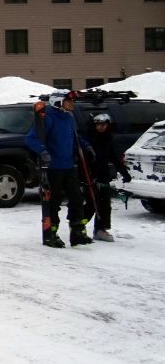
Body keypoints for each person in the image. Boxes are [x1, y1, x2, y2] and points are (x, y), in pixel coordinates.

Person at [26, 90, 94, 248]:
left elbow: (74, 137)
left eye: (72, 101)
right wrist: (43, 152)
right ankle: (51, 233)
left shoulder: (68, 118)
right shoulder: (48, 118)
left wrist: (87, 147)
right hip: (53, 168)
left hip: (69, 166)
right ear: (58, 102)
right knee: (53, 202)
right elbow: (31, 138)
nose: (72, 104)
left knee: (76, 200)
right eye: (69, 101)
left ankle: (77, 233)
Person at [85, 112, 132, 242]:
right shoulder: (88, 140)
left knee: (105, 205)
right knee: (91, 204)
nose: (101, 127)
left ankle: (101, 229)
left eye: (104, 125)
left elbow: (114, 158)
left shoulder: (107, 139)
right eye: (98, 125)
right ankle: (78, 226)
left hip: (104, 176)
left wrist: (124, 173)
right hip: (90, 177)